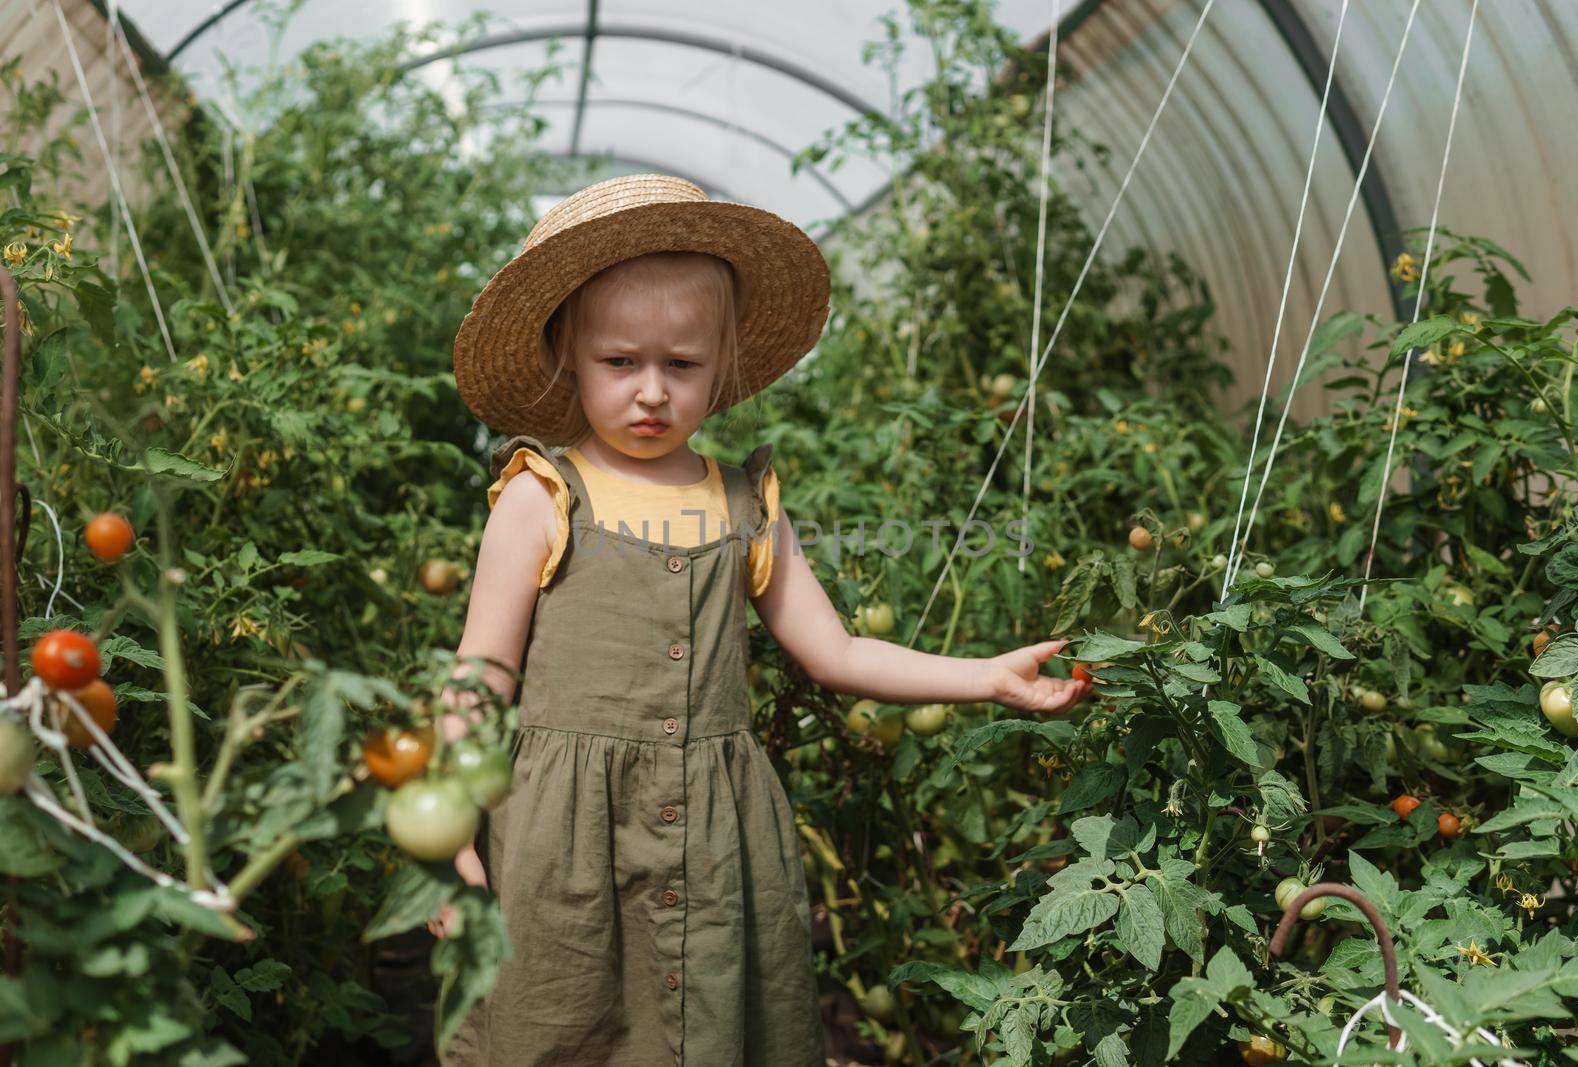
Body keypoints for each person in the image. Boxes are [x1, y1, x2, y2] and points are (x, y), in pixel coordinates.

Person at [429, 173, 1090, 1066]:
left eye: (683, 365)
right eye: (621, 363)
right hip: (558, 838)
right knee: (556, 1019)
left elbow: (836, 648)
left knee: (707, 1025)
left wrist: (984, 675)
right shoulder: (541, 496)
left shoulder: (744, 501)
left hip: (713, 832)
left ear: (723, 360)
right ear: (568, 357)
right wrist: (442, 830)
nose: (653, 392)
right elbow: (484, 671)